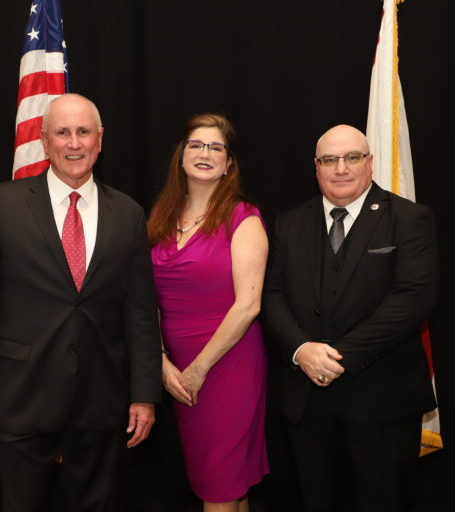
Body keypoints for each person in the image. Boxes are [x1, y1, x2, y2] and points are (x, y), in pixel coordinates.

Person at [0, 93, 162, 512]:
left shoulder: (129, 214)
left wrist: (144, 394)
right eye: (63, 133)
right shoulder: (0, 205)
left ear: (100, 140)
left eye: (83, 132)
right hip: (19, 400)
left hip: (101, 402)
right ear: (45, 141)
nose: (74, 143)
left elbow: (140, 315)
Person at [261, 124, 438, 512]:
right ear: (316, 167)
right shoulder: (288, 224)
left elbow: (413, 299)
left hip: (383, 400)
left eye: (352, 157)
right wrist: (302, 350)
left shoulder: (409, 218)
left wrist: (338, 357)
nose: (341, 168)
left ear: (370, 162)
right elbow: (271, 296)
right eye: (329, 160)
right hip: (306, 401)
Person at [147, 114, 269, 512]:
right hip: (177, 370)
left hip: (227, 364)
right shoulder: (162, 217)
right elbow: (146, 298)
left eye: (216, 147)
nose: (205, 153)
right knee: (225, 483)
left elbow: (248, 305)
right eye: (196, 145)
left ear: (228, 163)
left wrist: (198, 368)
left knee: (219, 484)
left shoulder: (243, 217)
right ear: (181, 156)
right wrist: (161, 362)